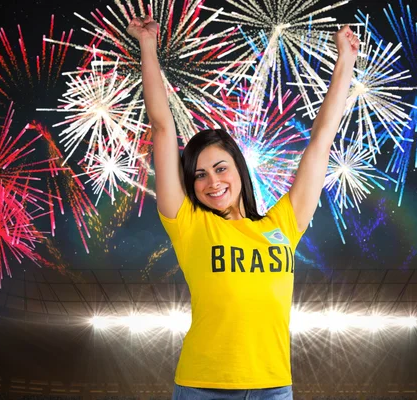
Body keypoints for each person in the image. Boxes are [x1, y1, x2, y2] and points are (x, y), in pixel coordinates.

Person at [128, 15, 360, 400]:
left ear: (240, 170)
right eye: (199, 175)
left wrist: (345, 62)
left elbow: (321, 140)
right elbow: (162, 127)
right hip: (203, 386)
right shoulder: (187, 222)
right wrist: (148, 47)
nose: (212, 182)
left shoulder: (284, 223)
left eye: (221, 169)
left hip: (274, 387)